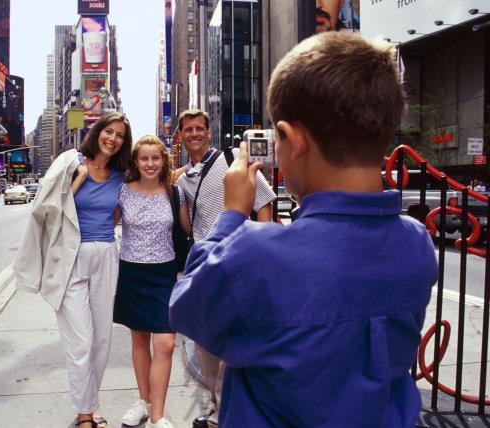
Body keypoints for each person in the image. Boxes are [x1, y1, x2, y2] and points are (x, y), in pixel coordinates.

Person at [169, 32, 439, 427]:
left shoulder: (253, 254)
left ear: (293, 140)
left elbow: (187, 309)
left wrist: (231, 216)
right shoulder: (416, 244)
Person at [13, 112, 133, 428]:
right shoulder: (70, 161)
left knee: (101, 342)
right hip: (70, 258)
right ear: (98, 132)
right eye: (109, 131)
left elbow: (117, 216)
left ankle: (90, 408)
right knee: (81, 342)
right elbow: (44, 207)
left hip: (106, 256)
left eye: (120, 135)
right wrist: (78, 178)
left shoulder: (121, 175)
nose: (113, 139)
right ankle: (84, 416)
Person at [174, 109, 276, 428]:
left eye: (199, 128)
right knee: (207, 344)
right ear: (180, 136)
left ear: (208, 132)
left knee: (235, 343)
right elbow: (190, 224)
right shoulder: (183, 179)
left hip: (241, 260)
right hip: (207, 263)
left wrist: (262, 250)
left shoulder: (233, 159)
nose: (194, 134)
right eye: (188, 129)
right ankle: (221, 406)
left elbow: (264, 205)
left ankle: (226, 415)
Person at [113, 136, 190, 428]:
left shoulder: (175, 193)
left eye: (155, 158)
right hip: (131, 271)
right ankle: (144, 403)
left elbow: (188, 230)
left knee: (166, 343)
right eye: (144, 159)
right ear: (136, 162)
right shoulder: (123, 191)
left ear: (164, 160)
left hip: (163, 274)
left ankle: (158, 416)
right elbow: (108, 226)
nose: (150, 164)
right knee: (139, 340)